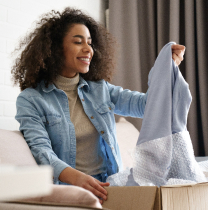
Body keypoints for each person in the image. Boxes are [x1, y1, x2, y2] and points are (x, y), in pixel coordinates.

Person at [11, 7, 185, 204]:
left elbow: (147, 106)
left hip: (112, 186)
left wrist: (165, 70)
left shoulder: (100, 89)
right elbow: (42, 151)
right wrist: (78, 178)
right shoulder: (31, 100)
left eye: (90, 43)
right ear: (55, 48)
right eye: (78, 42)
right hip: (72, 191)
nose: (88, 50)